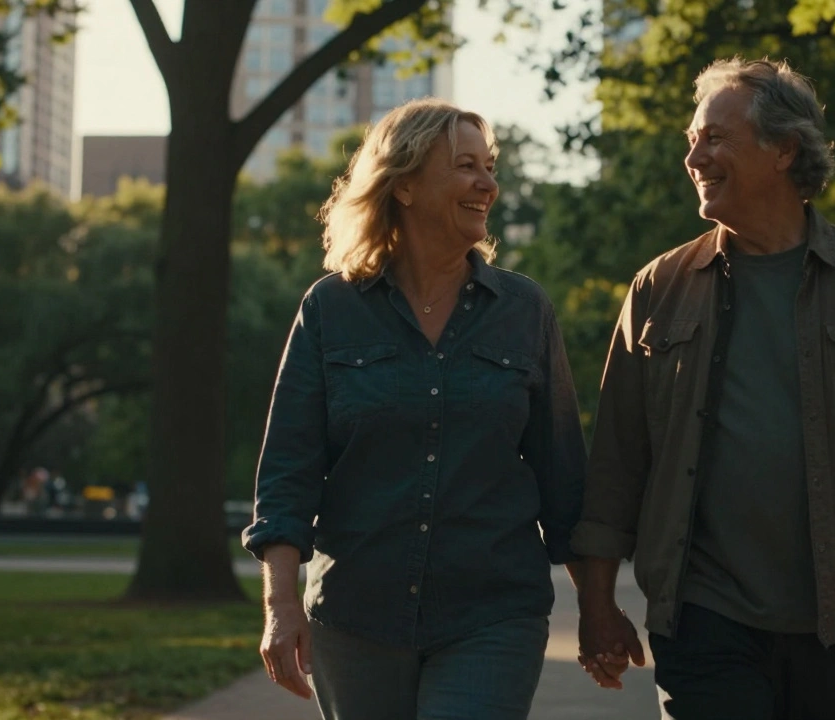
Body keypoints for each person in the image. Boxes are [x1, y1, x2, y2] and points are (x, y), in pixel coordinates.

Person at [570, 57, 835, 719]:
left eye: (714, 138)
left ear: (785, 149)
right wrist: (597, 604)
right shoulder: (657, 289)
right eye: (692, 140)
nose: (694, 156)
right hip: (702, 614)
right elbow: (617, 463)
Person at [242, 98, 588, 720]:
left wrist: (600, 609)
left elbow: (563, 475)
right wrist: (281, 605)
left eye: (489, 166)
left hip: (493, 612)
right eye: (465, 166)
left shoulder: (523, 311)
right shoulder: (330, 309)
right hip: (356, 617)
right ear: (403, 184)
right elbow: (288, 470)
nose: (488, 183)